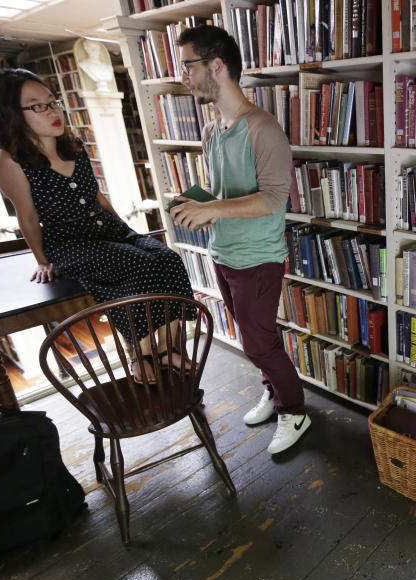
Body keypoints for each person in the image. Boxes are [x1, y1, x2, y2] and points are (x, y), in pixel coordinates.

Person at [0, 69, 197, 384]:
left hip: (108, 229)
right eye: (38, 106)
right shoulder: (9, 161)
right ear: (12, 114)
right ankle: (140, 355)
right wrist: (43, 261)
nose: (54, 111)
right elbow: (27, 217)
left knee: (167, 258)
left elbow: (97, 196)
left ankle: (167, 349)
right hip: (68, 242)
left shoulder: (73, 144)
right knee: (137, 265)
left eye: (52, 102)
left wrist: (128, 233)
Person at [172, 25, 310, 454]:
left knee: (259, 344)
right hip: (223, 253)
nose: (184, 77)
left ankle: (295, 412)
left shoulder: (263, 128)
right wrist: (190, 200)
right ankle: (273, 391)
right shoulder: (213, 130)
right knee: (255, 342)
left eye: (188, 65)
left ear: (216, 66)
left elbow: (272, 199)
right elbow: (220, 189)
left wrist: (211, 210)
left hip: (258, 258)